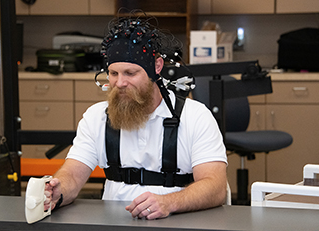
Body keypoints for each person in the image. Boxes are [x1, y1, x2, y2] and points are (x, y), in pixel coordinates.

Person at [43, 13, 227, 220]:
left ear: (156, 68)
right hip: (114, 223)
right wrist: (58, 192)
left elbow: (216, 187)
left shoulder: (196, 117)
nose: (120, 83)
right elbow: (73, 175)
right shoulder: (97, 117)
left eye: (130, 73)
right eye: (113, 73)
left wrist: (169, 202)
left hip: (179, 221)